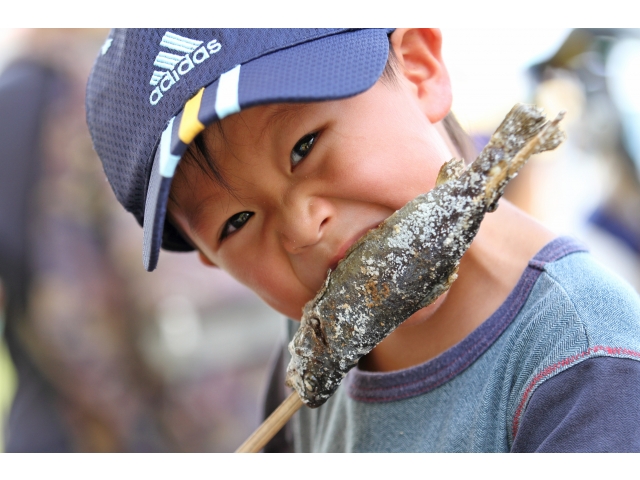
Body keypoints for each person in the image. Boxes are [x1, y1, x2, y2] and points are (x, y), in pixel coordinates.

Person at [86, 28, 640, 452]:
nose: (302, 229)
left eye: (304, 146)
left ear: (420, 68)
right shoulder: (310, 345)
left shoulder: (589, 367)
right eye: (236, 222)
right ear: (210, 261)